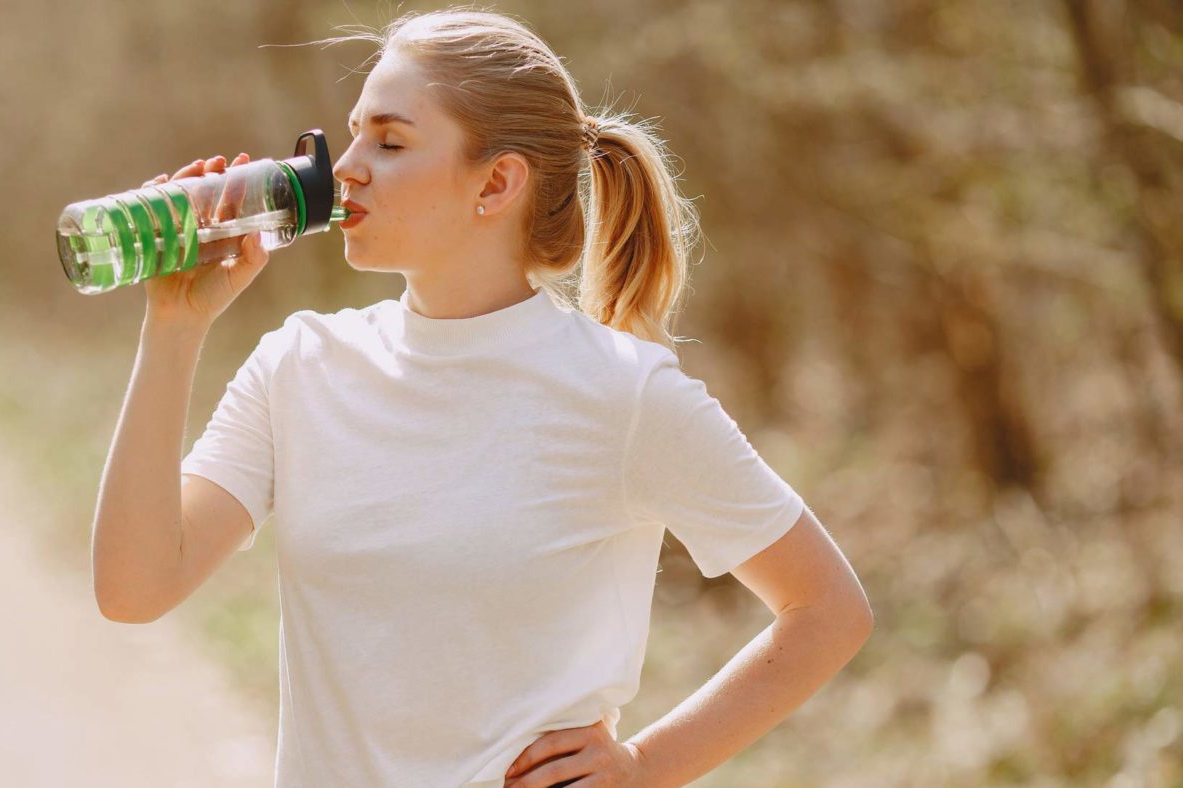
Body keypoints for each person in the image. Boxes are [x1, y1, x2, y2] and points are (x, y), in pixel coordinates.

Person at [91, 7, 874, 788]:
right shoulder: (298, 366)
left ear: (496, 182)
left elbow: (827, 611)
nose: (348, 167)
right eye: (352, 133)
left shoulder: (622, 393)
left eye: (390, 142)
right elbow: (134, 588)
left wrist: (646, 767)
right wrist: (174, 326)